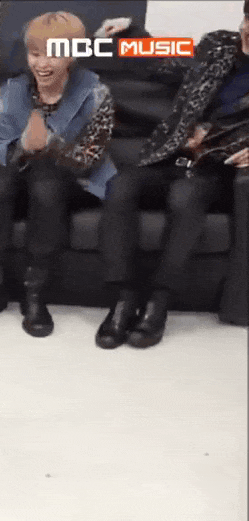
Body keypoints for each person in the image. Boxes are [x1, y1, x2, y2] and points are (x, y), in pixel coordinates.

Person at [94, 5, 249, 349]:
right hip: (169, 154)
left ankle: (158, 303)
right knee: (119, 186)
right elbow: (162, 64)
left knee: (184, 197)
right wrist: (131, 32)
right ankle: (123, 298)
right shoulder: (216, 45)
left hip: (214, 165)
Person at [0, 11, 117, 338]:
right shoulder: (9, 93)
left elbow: (91, 158)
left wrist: (51, 144)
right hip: (16, 172)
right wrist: (22, 145)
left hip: (70, 177)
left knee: (46, 183)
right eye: (35, 53)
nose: (42, 63)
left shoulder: (95, 93)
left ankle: (34, 292)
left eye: (54, 54)